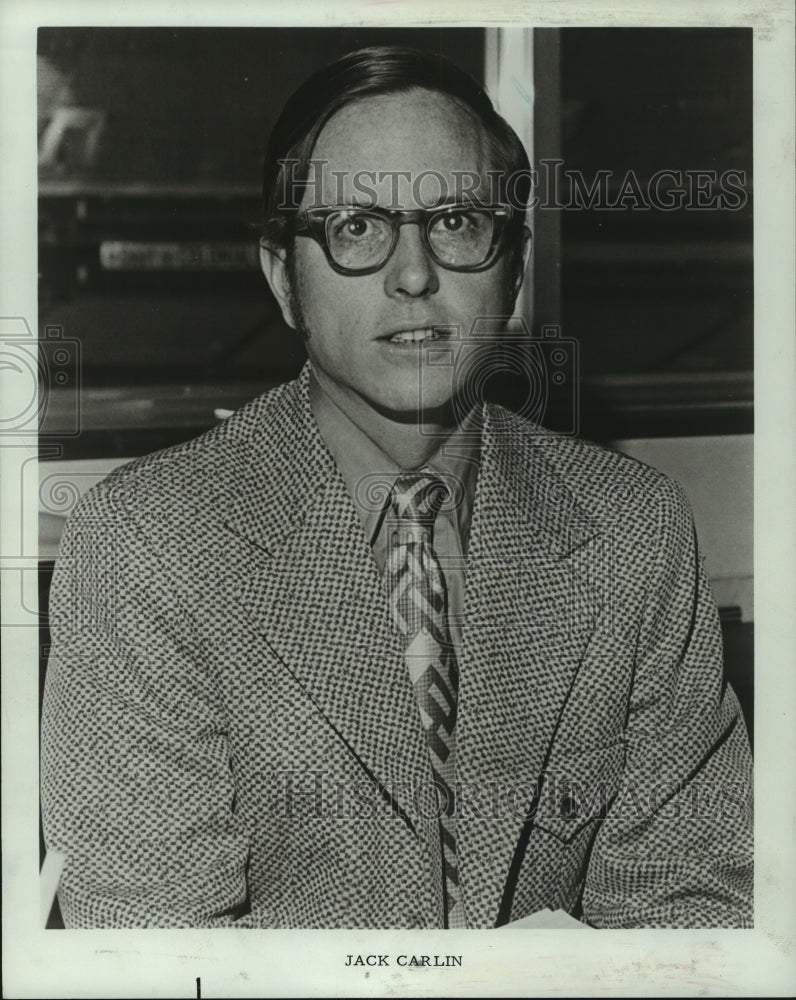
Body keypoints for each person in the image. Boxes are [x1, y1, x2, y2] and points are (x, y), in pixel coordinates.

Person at [41, 45, 753, 929]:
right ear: (282, 278)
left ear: (515, 266)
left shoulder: (634, 530)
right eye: (356, 228)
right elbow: (156, 956)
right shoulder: (146, 547)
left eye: (456, 222)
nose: (413, 276)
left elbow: (695, 908)